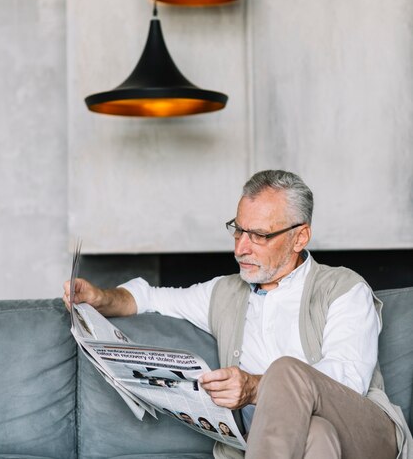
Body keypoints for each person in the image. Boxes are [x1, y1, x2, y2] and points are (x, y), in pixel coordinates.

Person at [63, 169, 412, 459]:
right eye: (238, 230)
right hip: (292, 440)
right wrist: (100, 296)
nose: (241, 248)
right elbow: (148, 297)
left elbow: (348, 380)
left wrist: (258, 387)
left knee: (287, 372)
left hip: (367, 432)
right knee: (316, 436)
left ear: (300, 237)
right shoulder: (225, 292)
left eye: (259, 235)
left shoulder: (344, 288)